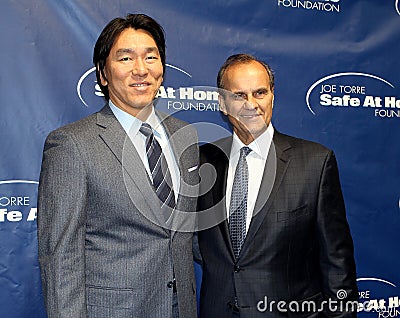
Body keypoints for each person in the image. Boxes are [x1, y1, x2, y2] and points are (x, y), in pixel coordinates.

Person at [37, 13, 199, 318]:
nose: (141, 69)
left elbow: (186, 234)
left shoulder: (185, 136)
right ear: (103, 73)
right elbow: (61, 257)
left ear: (162, 69)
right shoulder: (71, 145)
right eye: (125, 58)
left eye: (151, 57)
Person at [196, 54, 358, 317]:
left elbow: (337, 264)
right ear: (222, 104)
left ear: (272, 96)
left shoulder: (315, 163)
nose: (251, 104)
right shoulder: (204, 161)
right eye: (239, 95)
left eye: (260, 92)